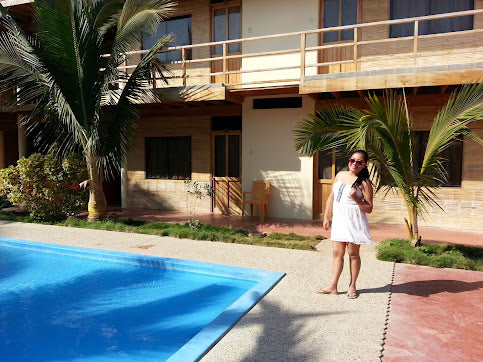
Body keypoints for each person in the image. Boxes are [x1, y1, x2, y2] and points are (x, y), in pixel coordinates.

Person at [317, 150, 373, 299]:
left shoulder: (364, 183)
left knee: (353, 254)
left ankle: (352, 286)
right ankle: (333, 286)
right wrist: (326, 217)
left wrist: (356, 199)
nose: (354, 163)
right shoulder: (340, 175)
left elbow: (369, 209)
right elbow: (331, 198)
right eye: (352, 160)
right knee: (337, 253)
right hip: (340, 219)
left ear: (364, 165)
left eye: (359, 162)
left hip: (354, 221)